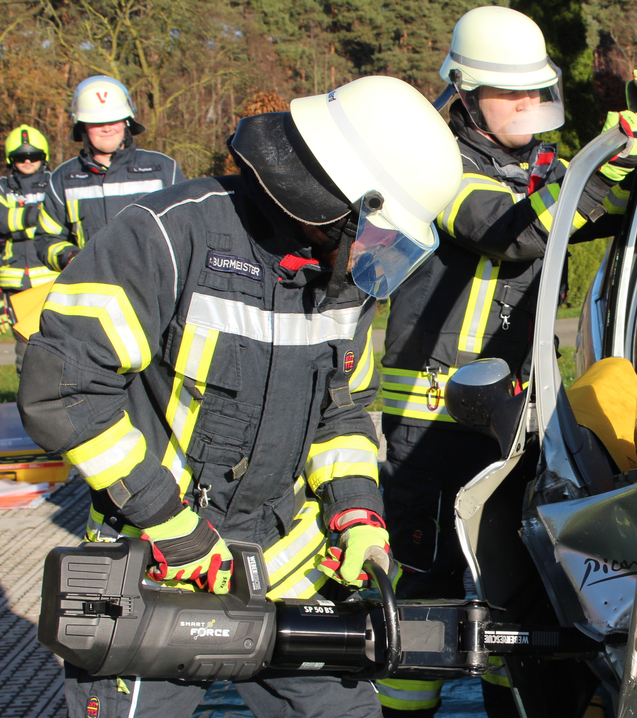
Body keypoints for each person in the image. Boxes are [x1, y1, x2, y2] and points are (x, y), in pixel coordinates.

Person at [17, 75, 463, 718]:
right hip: (156, 564)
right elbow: (64, 387)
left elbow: (341, 411)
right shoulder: (168, 236)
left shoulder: (347, 277)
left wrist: (358, 512)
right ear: (330, 195)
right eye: (375, 228)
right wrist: (170, 524)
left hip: (288, 568)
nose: (377, 250)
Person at [375, 6, 637, 716]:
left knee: (513, 589)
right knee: (428, 592)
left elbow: (604, 209)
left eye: (536, 90)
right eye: (510, 93)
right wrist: (604, 160)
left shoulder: (534, 166)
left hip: (512, 418)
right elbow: (512, 232)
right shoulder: (442, 166)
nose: (528, 104)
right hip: (435, 422)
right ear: (466, 93)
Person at [36, 75, 185, 272]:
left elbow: (188, 229)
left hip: (156, 286)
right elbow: (46, 239)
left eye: (113, 119)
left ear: (126, 122)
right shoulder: (63, 179)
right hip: (93, 286)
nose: (106, 128)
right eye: (96, 122)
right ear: (83, 126)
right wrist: (71, 258)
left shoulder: (164, 169)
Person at [0, 124, 56, 366]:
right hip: (16, 285)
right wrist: (40, 217)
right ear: (10, 160)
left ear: (44, 157)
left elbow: (64, 221)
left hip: (53, 281)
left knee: (57, 345)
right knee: (25, 351)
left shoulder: (56, 183)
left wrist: (17, 222)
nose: (27, 161)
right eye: (20, 157)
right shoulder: (2, 187)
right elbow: (2, 220)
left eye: (33, 156)